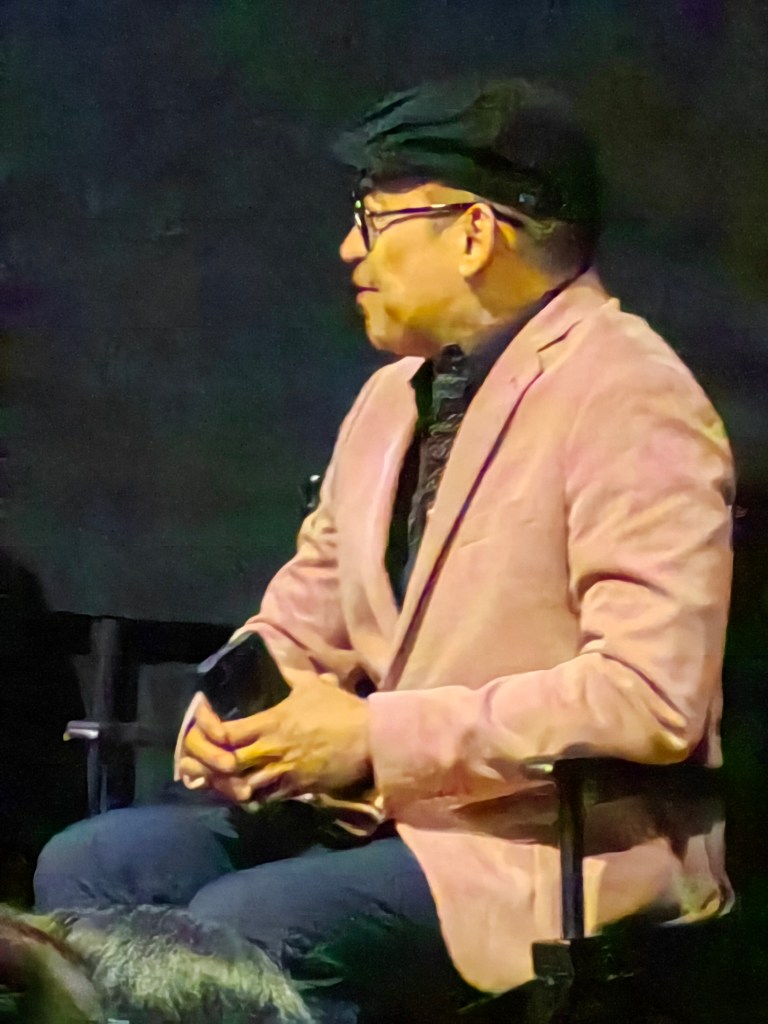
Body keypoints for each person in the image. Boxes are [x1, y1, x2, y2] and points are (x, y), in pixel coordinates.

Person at [34, 77, 735, 1021]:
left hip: (545, 847)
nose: (348, 247)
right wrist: (232, 716)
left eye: (373, 217)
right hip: (375, 822)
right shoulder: (389, 400)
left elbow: (649, 698)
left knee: (252, 925)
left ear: (474, 233)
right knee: (93, 864)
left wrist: (372, 739)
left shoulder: (630, 395)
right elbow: (302, 616)